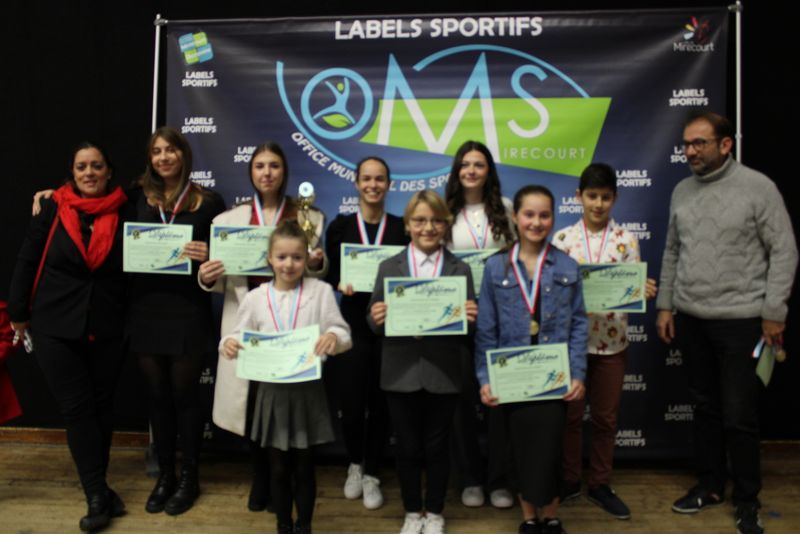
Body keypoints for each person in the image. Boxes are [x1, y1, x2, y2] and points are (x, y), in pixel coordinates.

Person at [656, 112, 797, 534]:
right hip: (691, 319)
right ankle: (710, 485)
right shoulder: (681, 190)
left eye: (699, 143)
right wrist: (665, 305)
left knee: (739, 415)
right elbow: (672, 251)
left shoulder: (758, 187)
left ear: (725, 144)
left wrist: (774, 312)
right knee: (705, 409)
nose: (690, 151)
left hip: (742, 322)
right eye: (686, 144)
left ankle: (748, 499)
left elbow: (784, 251)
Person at [198, 141, 327, 512]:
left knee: (286, 405)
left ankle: (282, 481)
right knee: (252, 405)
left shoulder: (308, 217)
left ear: (284, 171)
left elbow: (316, 274)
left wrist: (315, 264)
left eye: (274, 165)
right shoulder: (228, 222)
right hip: (248, 321)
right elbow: (221, 282)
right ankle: (261, 476)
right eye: (259, 166)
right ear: (251, 172)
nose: (267, 172)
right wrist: (208, 276)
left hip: (290, 324)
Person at [8, 142, 130, 531]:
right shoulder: (52, 207)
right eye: (82, 167)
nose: (89, 173)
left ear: (109, 171)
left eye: (96, 166)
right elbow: (28, 258)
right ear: (72, 173)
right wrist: (17, 313)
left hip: (108, 325)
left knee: (102, 408)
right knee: (77, 409)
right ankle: (96, 494)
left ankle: (101, 488)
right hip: (55, 325)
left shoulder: (128, 209)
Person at [219, 220, 352, 534]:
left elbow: (342, 332)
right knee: (277, 469)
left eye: (296, 257)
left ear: (307, 258)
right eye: (281, 257)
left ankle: (304, 525)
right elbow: (235, 335)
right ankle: (283, 524)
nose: (288, 264)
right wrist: (229, 344)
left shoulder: (320, 292)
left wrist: (333, 337)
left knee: (305, 468)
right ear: (269, 258)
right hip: (271, 394)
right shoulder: (256, 297)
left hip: (307, 391)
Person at [475, 185, 588, 534]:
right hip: (512, 377)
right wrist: (485, 378)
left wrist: (577, 373)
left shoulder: (567, 265)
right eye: (529, 215)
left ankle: (550, 516)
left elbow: (579, 323)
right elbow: (486, 329)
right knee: (519, 448)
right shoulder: (496, 267)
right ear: (515, 217)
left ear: (553, 218)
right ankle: (528, 518)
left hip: (554, 377)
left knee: (550, 449)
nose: (536, 222)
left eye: (544, 215)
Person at [127, 127, 225, 516]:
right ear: (150, 159)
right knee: (157, 396)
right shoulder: (136, 196)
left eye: (171, 150)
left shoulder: (209, 201)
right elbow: (91, 198)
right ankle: (165, 474)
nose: (164, 157)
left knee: (185, 396)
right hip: (146, 308)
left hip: (187, 310)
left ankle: (190, 477)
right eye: (156, 151)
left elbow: (226, 255)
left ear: (184, 154)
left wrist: (208, 253)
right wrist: (52, 194)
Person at [368, 190, 478, 534]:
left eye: (435, 221)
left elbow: (467, 328)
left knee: (438, 447)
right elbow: (372, 321)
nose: (428, 227)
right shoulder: (389, 267)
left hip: (443, 371)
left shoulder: (461, 269)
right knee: (407, 448)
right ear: (407, 225)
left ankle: (435, 512)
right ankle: (412, 511)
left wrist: (470, 318)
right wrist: (376, 317)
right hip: (400, 371)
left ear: (446, 224)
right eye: (419, 220)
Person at [551, 163, 657, 519]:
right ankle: (569, 479)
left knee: (605, 419)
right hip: (572, 345)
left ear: (615, 198)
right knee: (569, 417)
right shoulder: (562, 240)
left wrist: (640, 290)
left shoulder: (627, 240)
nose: (598, 204)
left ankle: (599, 482)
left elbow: (630, 290)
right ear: (578, 197)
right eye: (592, 196)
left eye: (605, 197)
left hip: (612, 344)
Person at [324, 156, 408, 510]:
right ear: (357, 183)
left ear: (389, 184)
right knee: (353, 404)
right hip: (353, 324)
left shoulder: (401, 228)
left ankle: (372, 471)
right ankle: (355, 463)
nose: (373, 185)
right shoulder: (340, 227)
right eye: (367, 179)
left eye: (380, 179)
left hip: (390, 326)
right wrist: (339, 283)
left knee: (381, 402)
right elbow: (329, 274)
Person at [444, 140, 515, 509]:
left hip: (498, 319)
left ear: (489, 172)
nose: (471, 170)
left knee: (499, 400)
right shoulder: (444, 211)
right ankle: (470, 478)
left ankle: (499, 480)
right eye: (465, 164)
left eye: (479, 164)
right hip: (456, 320)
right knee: (460, 403)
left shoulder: (505, 208)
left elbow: (516, 261)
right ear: (457, 170)